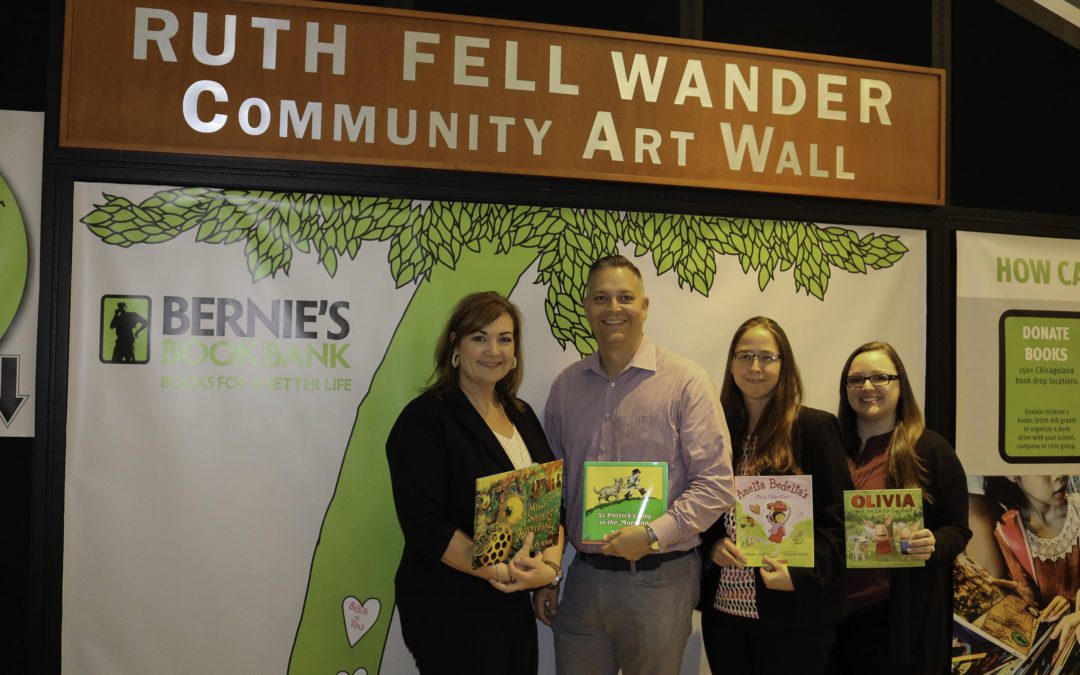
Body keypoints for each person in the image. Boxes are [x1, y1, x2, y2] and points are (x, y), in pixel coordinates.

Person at [535, 254, 734, 675]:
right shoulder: (565, 387)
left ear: (645, 307)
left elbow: (716, 484)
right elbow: (551, 492)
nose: (613, 309)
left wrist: (650, 534)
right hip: (584, 579)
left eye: (625, 297)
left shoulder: (685, 381)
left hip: (659, 581)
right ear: (587, 307)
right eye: (601, 298)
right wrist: (550, 574)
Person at [385, 291, 564, 675]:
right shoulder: (425, 420)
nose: (492, 350)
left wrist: (549, 570)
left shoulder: (521, 413)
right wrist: (498, 572)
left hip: (510, 601)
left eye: (504, 338)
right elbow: (424, 526)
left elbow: (550, 503)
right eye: (478, 337)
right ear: (455, 345)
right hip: (448, 603)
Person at [699, 316, 853, 674]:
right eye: (744, 356)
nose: (755, 367)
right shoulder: (713, 429)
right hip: (724, 613)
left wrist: (801, 575)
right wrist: (714, 544)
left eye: (767, 357)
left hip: (793, 613)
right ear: (731, 364)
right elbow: (697, 500)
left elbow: (842, 520)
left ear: (785, 365)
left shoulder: (814, 428)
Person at [826, 341, 971, 674]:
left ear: (900, 384)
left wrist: (932, 543)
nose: (867, 387)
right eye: (856, 379)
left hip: (899, 623)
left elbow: (957, 528)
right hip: (835, 620)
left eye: (880, 377)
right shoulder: (832, 450)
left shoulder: (930, 449)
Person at [978, 475, 1080, 658]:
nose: (1059, 474)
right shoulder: (1009, 532)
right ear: (1012, 474)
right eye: (1042, 467)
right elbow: (1037, 613)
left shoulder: (1077, 510)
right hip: (1060, 652)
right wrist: (1026, 603)